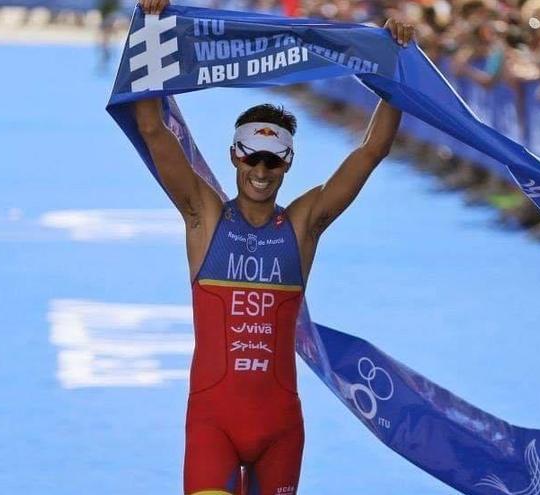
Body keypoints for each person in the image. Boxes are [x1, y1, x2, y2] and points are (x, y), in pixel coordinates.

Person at [133, 0, 414, 493]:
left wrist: (396, 60)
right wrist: (153, 29)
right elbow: (153, 128)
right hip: (212, 426)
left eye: (272, 161)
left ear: (287, 164)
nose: (260, 172)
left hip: (280, 430)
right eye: (251, 158)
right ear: (234, 156)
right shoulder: (203, 216)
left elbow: (372, 150)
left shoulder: (304, 225)